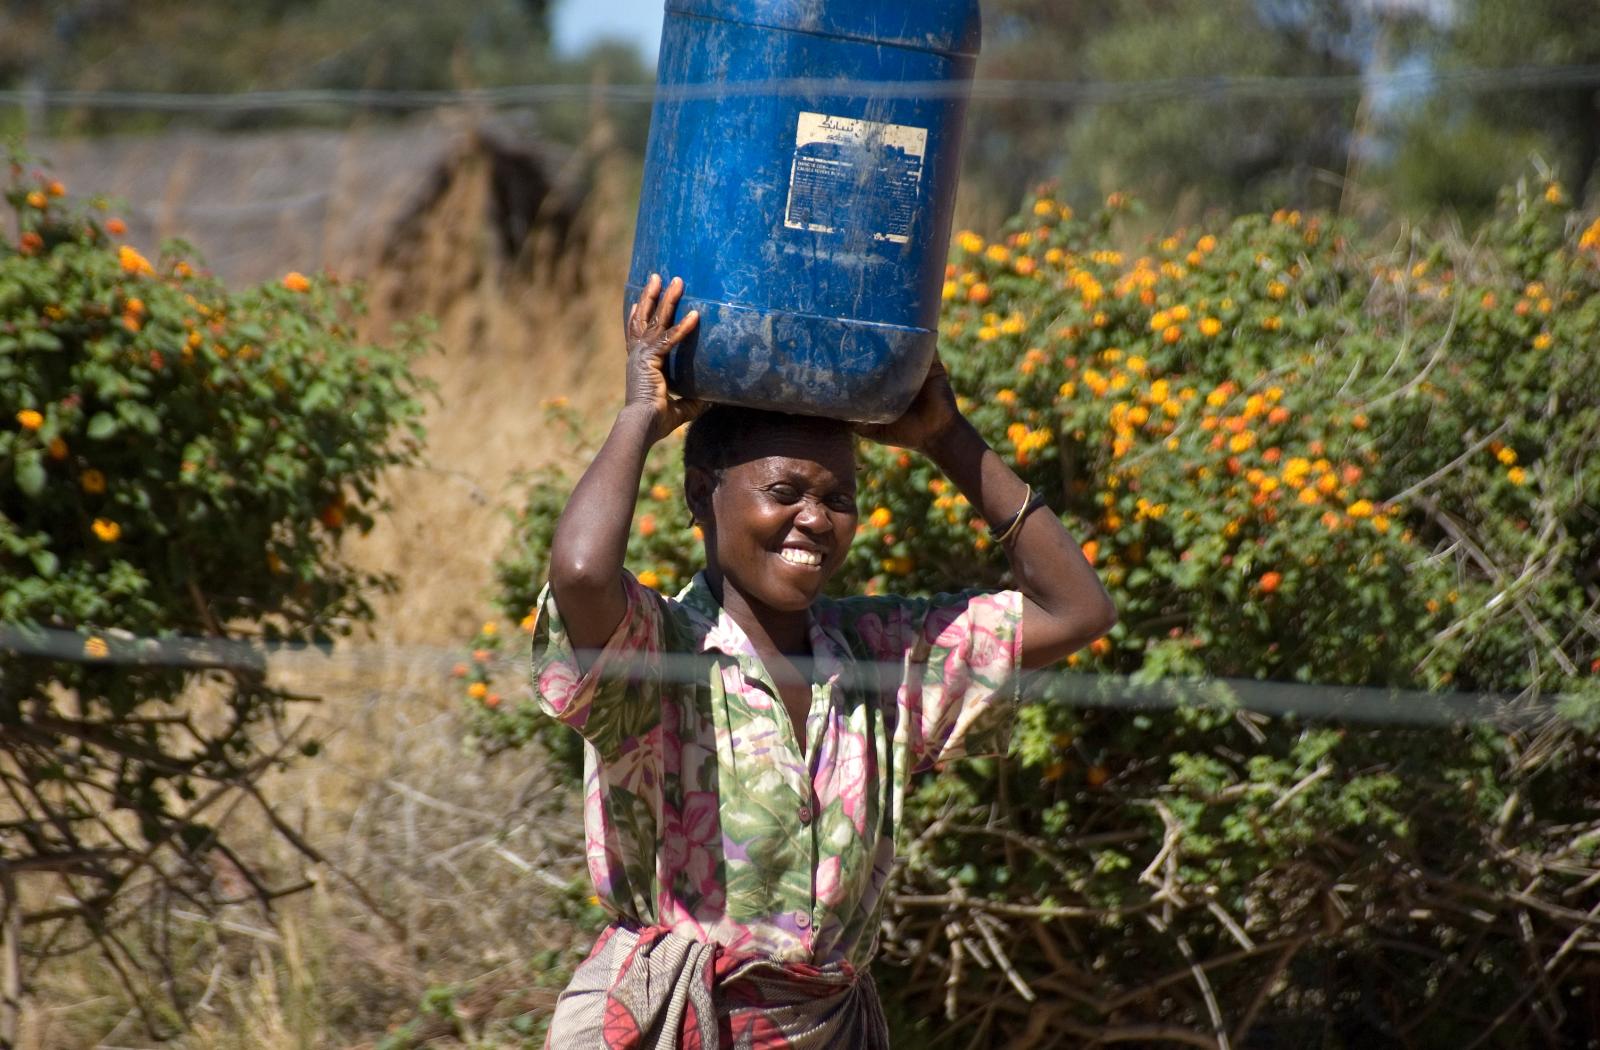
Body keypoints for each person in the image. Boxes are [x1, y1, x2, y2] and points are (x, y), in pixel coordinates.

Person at [532, 273, 1117, 1048]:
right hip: (677, 1026)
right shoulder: (661, 652)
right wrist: (641, 415)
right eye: (784, 491)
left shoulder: (880, 659)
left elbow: (1076, 610)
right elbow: (579, 574)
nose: (815, 519)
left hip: (828, 1028)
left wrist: (948, 436)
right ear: (703, 494)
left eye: (839, 498)